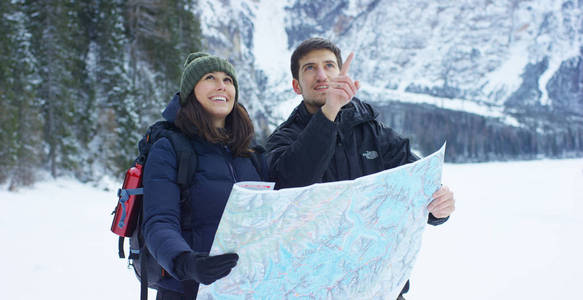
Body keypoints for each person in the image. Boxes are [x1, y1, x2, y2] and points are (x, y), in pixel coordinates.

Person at [265, 37, 456, 299]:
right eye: (310, 68)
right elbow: (293, 182)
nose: (321, 75)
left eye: (329, 66)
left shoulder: (372, 130)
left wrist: (439, 206)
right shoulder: (283, 139)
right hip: (318, 289)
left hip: (381, 287)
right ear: (296, 86)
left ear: (341, 74)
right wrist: (329, 111)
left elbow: (418, 183)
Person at [142, 52, 265, 299]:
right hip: (187, 289)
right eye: (210, 77)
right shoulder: (170, 148)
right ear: (190, 92)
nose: (222, 85)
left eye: (228, 80)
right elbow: (158, 221)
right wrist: (187, 262)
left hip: (247, 288)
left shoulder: (249, 153)